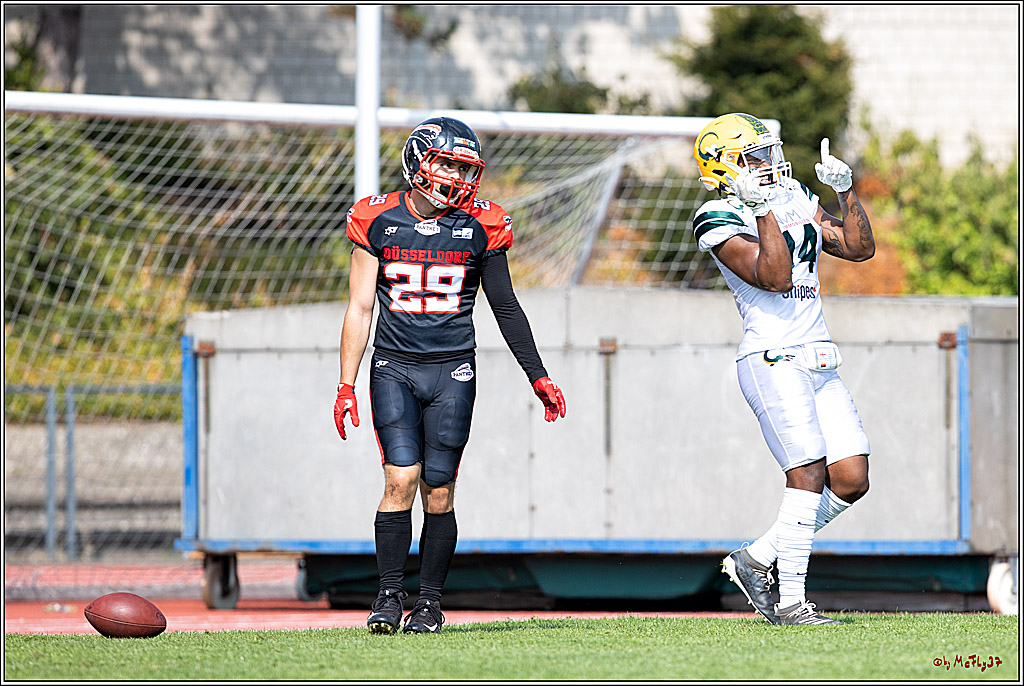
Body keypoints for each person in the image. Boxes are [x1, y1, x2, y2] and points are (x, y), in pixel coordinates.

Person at [333, 116, 567, 635]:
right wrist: (346, 383)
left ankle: (430, 603)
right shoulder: (377, 218)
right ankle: (388, 596)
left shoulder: (483, 224)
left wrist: (538, 375)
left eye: (466, 169)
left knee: (438, 490)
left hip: (452, 369)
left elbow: (506, 307)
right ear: (418, 162)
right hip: (394, 365)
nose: (459, 178)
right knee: (400, 480)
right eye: (449, 165)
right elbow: (360, 307)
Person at [691, 113, 875, 626]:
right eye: (754, 156)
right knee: (808, 473)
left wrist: (845, 192)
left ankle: (756, 559)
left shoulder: (791, 193)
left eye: (768, 152)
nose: (768, 163)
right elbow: (774, 276)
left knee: (851, 477)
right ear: (724, 167)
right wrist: (761, 211)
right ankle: (792, 602)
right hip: (772, 357)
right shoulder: (715, 215)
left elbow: (858, 248)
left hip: (817, 353)